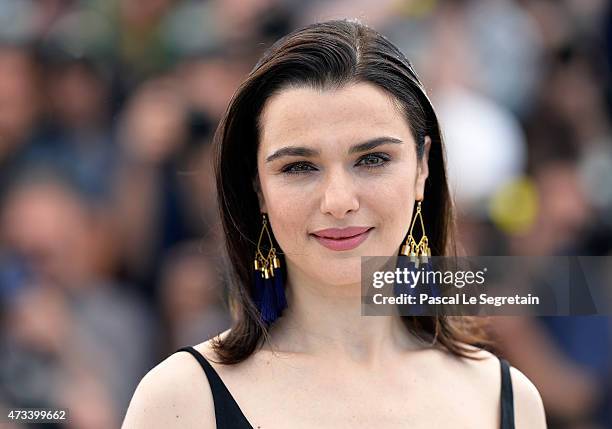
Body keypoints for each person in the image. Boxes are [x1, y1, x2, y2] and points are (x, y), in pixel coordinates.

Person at [122, 19, 547, 428]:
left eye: (373, 159)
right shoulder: (181, 401)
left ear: (422, 168)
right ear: (257, 190)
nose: (339, 201)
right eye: (299, 167)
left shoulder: (503, 397)